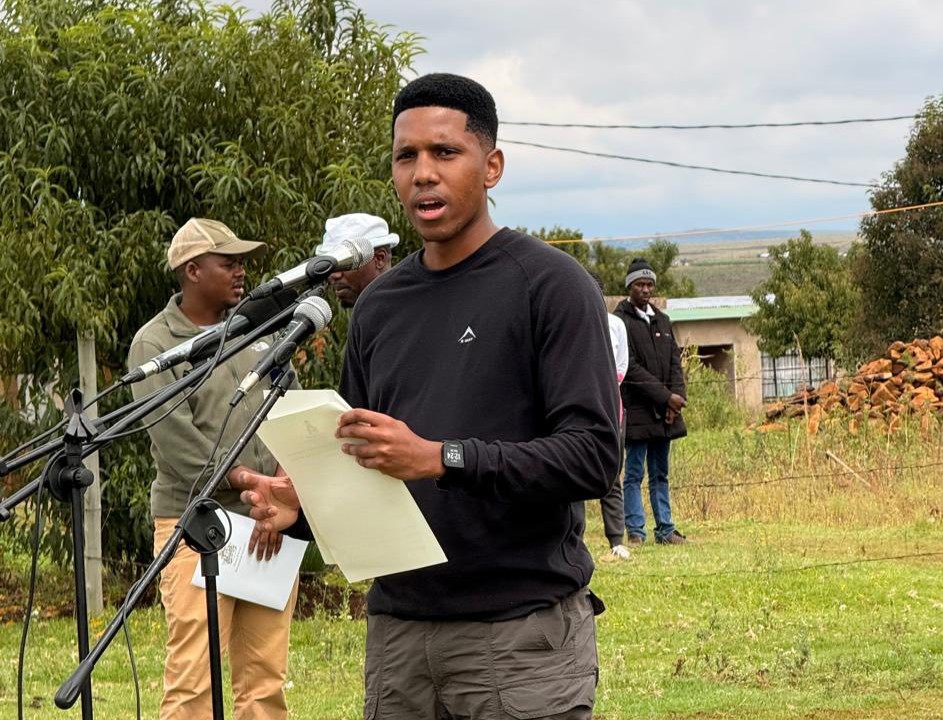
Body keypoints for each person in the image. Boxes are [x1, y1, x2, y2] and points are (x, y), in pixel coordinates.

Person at [236, 73, 620, 719]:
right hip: (399, 636)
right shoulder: (381, 304)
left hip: (518, 634)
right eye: (405, 156)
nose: (422, 174)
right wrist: (299, 501)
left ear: (491, 165)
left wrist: (443, 458)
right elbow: (355, 450)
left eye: (445, 153)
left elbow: (591, 457)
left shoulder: (550, 285)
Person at [127, 218, 297, 720]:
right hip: (195, 527)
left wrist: (278, 495)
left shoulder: (256, 329)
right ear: (193, 270)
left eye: (243, 262)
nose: (242, 272)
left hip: (268, 525)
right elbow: (178, 443)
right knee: (194, 684)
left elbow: (287, 409)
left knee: (264, 682)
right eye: (230, 263)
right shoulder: (155, 345)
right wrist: (250, 483)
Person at [613, 258, 688, 545]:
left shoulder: (663, 321)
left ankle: (666, 530)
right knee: (633, 472)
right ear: (629, 287)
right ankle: (635, 531)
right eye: (639, 284)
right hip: (638, 409)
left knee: (660, 472)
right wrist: (665, 396)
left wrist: (675, 401)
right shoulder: (621, 321)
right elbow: (630, 368)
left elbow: (674, 363)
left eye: (649, 285)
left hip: (665, 412)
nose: (645, 289)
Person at [588, 272, 631, 560]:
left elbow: (622, 364)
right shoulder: (567, 320)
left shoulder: (615, 325)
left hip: (610, 403)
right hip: (573, 406)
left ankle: (616, 539)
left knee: (611, 472)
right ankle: (572, 539)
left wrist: (604, 385)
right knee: (570, 470)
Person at [322, 213, 399, 308]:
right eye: (330, 264)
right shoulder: (367, 316)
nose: (334, 275)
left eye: (345, 262)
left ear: (379, 259)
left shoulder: (410, 310)